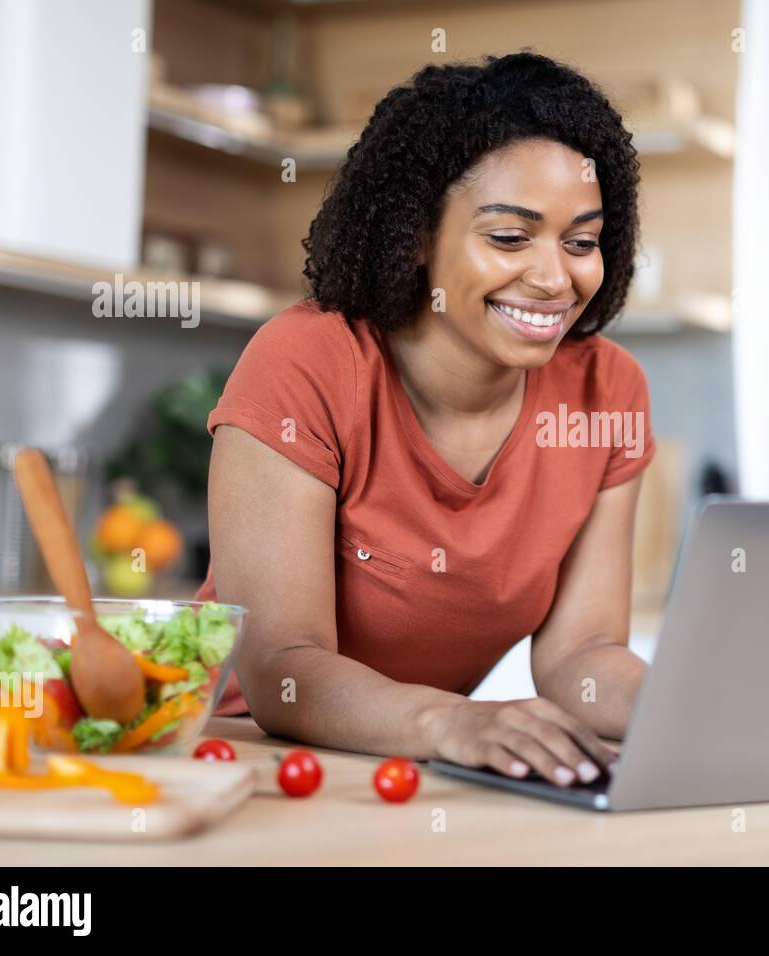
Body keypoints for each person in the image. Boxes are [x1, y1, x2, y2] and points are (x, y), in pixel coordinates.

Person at [196, 51, 655, 790]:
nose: (553, 278)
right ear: (414, 234)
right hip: (244, 761)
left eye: (581, 242)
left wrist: (703, 710)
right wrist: (451, 721)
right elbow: (283, 665)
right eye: (510, 237)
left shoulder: (609, 394)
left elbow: (582, 655)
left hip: (418, 768)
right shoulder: (310, 361)